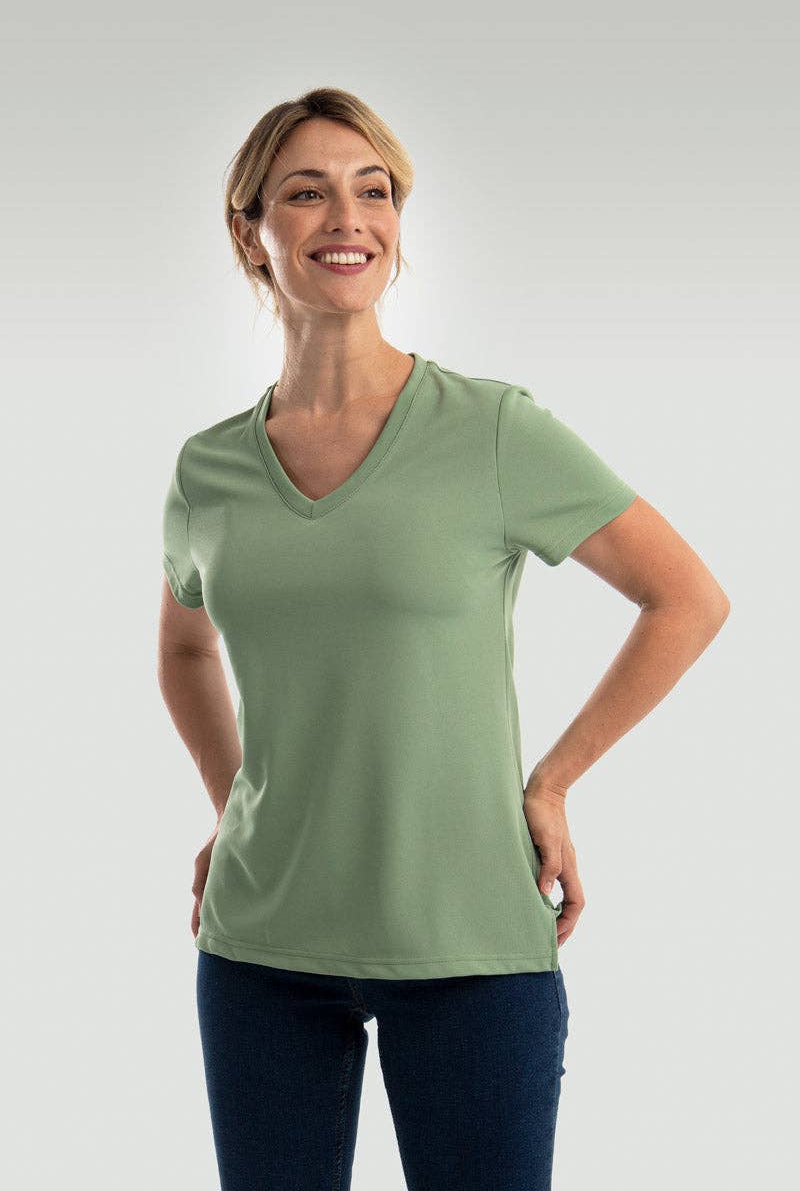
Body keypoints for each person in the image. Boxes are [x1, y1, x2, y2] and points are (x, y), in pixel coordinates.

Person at [157, 87, 730, 1191]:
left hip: (470, 943)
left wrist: (552, 782)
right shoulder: (207, 469)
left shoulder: (493, 431)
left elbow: (685, 599)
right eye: (307, 193)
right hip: (260, 950)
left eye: (374, 191)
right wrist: (238, 807)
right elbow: (185, 650)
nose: (348, 218)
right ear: (249, 230)